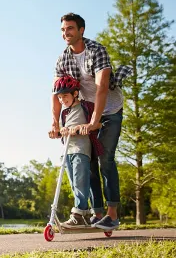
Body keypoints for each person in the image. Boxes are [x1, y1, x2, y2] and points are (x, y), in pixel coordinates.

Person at [49, 13, 132, 230]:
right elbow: (56, 92)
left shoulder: (96, 50)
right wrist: (55, 124)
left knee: (105, 158)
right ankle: (95, 214)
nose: (66, 33)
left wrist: (96, 121)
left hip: (110, 110)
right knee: (89, 160)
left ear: (81, 30)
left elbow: (101, 86)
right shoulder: (62, 59)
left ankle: (112, 215)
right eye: (63, 30)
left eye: (70, 29)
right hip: (87, 112)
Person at [51, 75, 103, 228]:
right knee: (74, 185)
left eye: (65, 96)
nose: (62, 100)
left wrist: (84, 127)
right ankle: (85, 214)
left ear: (75, 93)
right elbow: (60, 129)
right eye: (59, 97)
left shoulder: (87, 107)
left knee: (81, 182)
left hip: (81, 149)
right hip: (66, 152)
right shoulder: (64, 113)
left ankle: (78, 214)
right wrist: (58, 131)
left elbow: (99, 124)